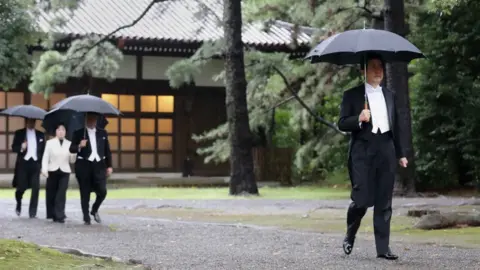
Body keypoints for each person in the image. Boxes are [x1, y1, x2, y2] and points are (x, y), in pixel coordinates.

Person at [337, 54, 408, 260]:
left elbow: (396, 126)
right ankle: (350, 233)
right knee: (361, 200)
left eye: (381, 67)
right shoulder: (351, 95)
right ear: (363, 71)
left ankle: (383, 249)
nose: (379, 70)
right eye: (373, 67)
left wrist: (401, 153)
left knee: (384, 201)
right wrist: (358, 119)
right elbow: (342, 122)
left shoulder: (390, 95)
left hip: (386, 149)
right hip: (362, 151)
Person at [69, 113, 112, 225]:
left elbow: (107, 150)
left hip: (99, 165)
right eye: (90, 118)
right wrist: (79, 146)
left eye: (94, 118)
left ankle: (94, 209)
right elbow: (71, 149)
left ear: (96, 119)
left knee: (102, 191)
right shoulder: (78, 133)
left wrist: (109, 165)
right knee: (85, 192)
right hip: (84, 166)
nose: (92, 121)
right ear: (86, 119)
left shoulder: (102, 133)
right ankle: (86, 217)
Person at [11, 118, 46, 218]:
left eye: (33, 121)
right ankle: (18, 202)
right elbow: (14, 147)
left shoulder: (40, 134)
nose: (31, 123)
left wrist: (42, 165)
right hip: (23, 164)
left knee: (36, 188)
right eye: (30, 121)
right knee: (21, 187)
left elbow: (43, 150)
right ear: (26, 122)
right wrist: (22, 147)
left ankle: (32, 212)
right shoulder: (19, 133)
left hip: (35, 164)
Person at [42, 123, 75, 223]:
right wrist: (44, 169)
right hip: (53, 170)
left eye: (63, 130)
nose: (61, 132)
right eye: (59, 130)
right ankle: (53, 214)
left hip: (65, 171)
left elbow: (72, 160)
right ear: (56, 131)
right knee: (52, 193)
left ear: (65, 132)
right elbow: (45, 157)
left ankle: (60, 215)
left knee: (61, 193)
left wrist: (74, 152)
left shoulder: (69, 143)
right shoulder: (50, 143)